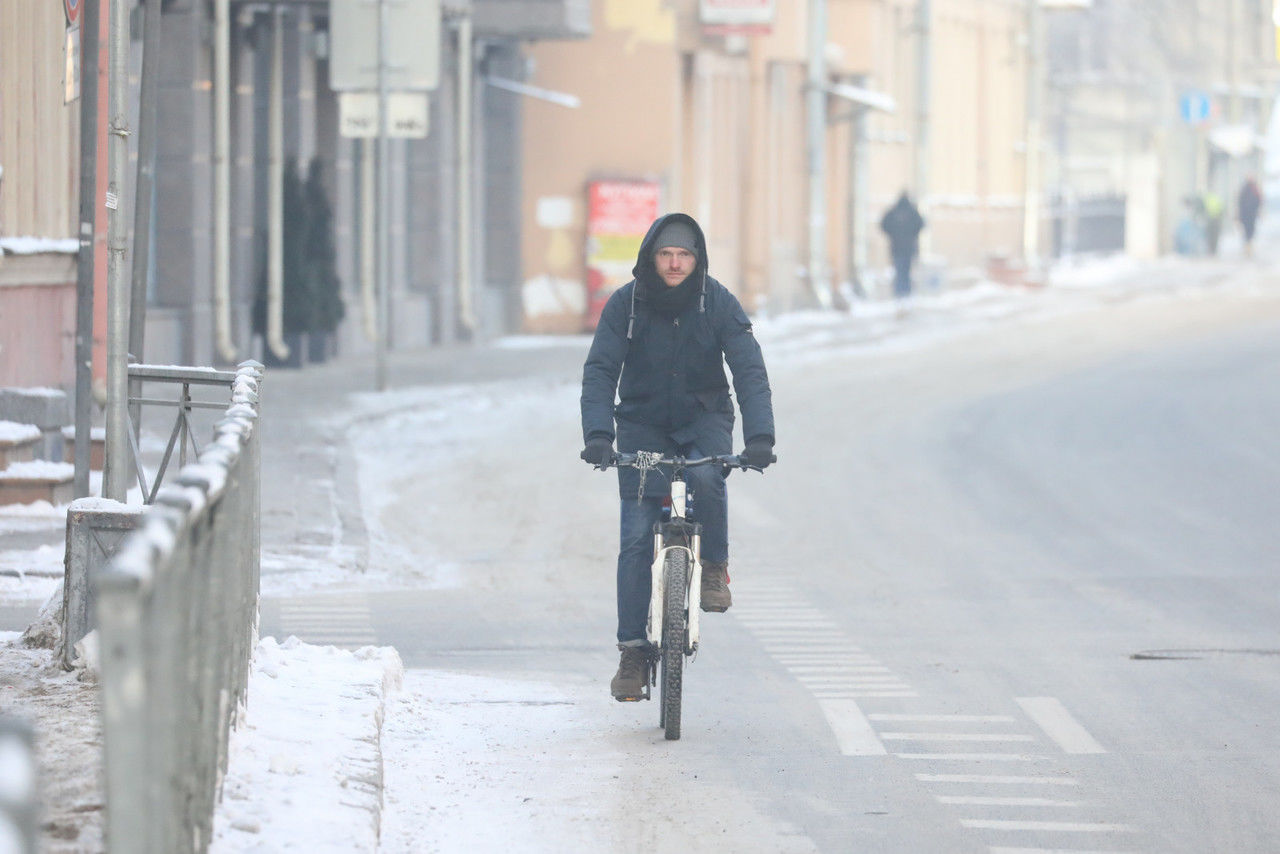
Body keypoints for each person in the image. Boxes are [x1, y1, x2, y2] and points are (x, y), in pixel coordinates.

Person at [580, 213, 775, 702]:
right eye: (665, 254)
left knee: (709, 477)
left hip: (703, 416)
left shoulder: (718, 303)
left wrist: (760, 439)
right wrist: (600, 434)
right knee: (635, 536)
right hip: (643, 423)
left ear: (698, 259)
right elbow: (601, 370)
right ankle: (631, 651)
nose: (674, 264)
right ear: (650, 256)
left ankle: (712, 567)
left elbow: (749, 370)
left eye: (683, 255)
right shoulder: (625, 305)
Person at [880, 191, 926, 298]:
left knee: (899, 270)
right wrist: (913, 234)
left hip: (896, 247)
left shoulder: (894, 211)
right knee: (906, 271)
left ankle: (900, 293)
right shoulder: (912, 211)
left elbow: (884, 224)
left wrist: (892, 234)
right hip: (909, 247)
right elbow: (921, 224)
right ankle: (905, 293)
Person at [1238, 176, 1262, 258]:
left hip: (1248, 215)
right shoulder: (1253, 190)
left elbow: (1240, 203)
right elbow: (1259, 201)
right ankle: (1248, 247)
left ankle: (1248, 247)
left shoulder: (1247, 190)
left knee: (1248, 231)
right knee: (1249, 231)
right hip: (1249, 215)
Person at [1201, 189, 1224, 255]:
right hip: (1215, 219)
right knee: (1214, 235)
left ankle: (1211, 249)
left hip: (1210, 219)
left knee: (1210, 235)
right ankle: (1213, 249)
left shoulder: (1207, 198)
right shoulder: (1218, 198)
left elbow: (1204, 208)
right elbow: (1221, 209)